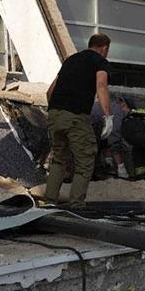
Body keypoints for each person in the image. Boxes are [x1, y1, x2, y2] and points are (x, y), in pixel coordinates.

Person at [44, 33, 113, 205]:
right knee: (85, 160)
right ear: (104, 48)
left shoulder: (70, 60)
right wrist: (108, 115)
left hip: (54, 114)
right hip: (75, 116)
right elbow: (101, 86)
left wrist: (55, 111)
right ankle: (76, 205)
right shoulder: (99, 61)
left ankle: (49, 201)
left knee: (59, 158)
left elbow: (50, 91)